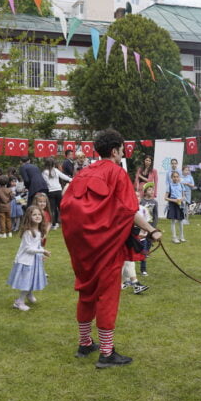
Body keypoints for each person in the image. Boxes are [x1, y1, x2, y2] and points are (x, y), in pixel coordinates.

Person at [60, 129, 162, 368]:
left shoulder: (83, 173)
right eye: (121, 150)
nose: (121, 154)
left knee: (86, 292)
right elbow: (130, 210)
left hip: (81, 247)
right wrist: (152, 230)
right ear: (115, 150)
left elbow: (65, 202)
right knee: (107, 295)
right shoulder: (117, 173)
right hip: (106, 246)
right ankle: (106, 352)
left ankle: (85, 343)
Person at [6, 206, 50, 311]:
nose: (37, 216)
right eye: (34, 215)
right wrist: (42, 251)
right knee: (27, 281)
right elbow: (28, 249)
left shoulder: (39, 231)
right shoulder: (28, 232)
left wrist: (41, 254)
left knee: (32, 279)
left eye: (39, 214)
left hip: (34, 260)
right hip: (26, 261)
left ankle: (29, 294)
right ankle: (19, 302)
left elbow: (37, 246)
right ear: (29, 217)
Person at [42, 157, 71, 230]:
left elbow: (45, 182)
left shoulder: (44, 172)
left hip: (50, 191)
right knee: (61, 207)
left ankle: (54, 224)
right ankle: (66, 222)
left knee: (52, 208)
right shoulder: (55, 170)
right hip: (58, 190)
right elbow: (63, 176)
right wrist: (71, 179)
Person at [165, 171, 186, 243]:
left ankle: (181, 236)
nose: (176, 178)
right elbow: (165, 198)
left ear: (179, 177)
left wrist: (181, 199)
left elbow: (184, 196)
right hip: (172, 204)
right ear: (171, 177)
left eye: (177, 177)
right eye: (174, 177)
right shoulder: (169, 186)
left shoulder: (181, 185)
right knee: (173, 221)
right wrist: (174, 200)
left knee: (181, 220)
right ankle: (174, 237)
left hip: (180, 204)